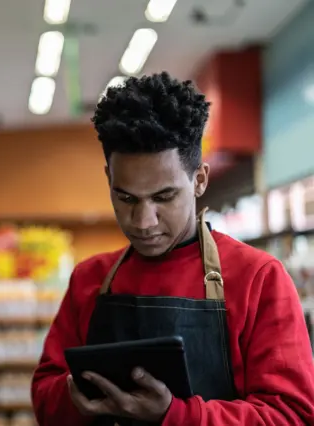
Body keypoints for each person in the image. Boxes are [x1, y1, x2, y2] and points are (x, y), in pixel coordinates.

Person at [31, 72, 314, 425]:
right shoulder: (89, 279)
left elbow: (293, 416)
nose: (143, 220)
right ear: (109, 180)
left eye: (163, 197)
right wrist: (78, 395)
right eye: (125, 197)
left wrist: (175, 415)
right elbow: (44, 395)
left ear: (199, 180)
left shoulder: (259, 278)